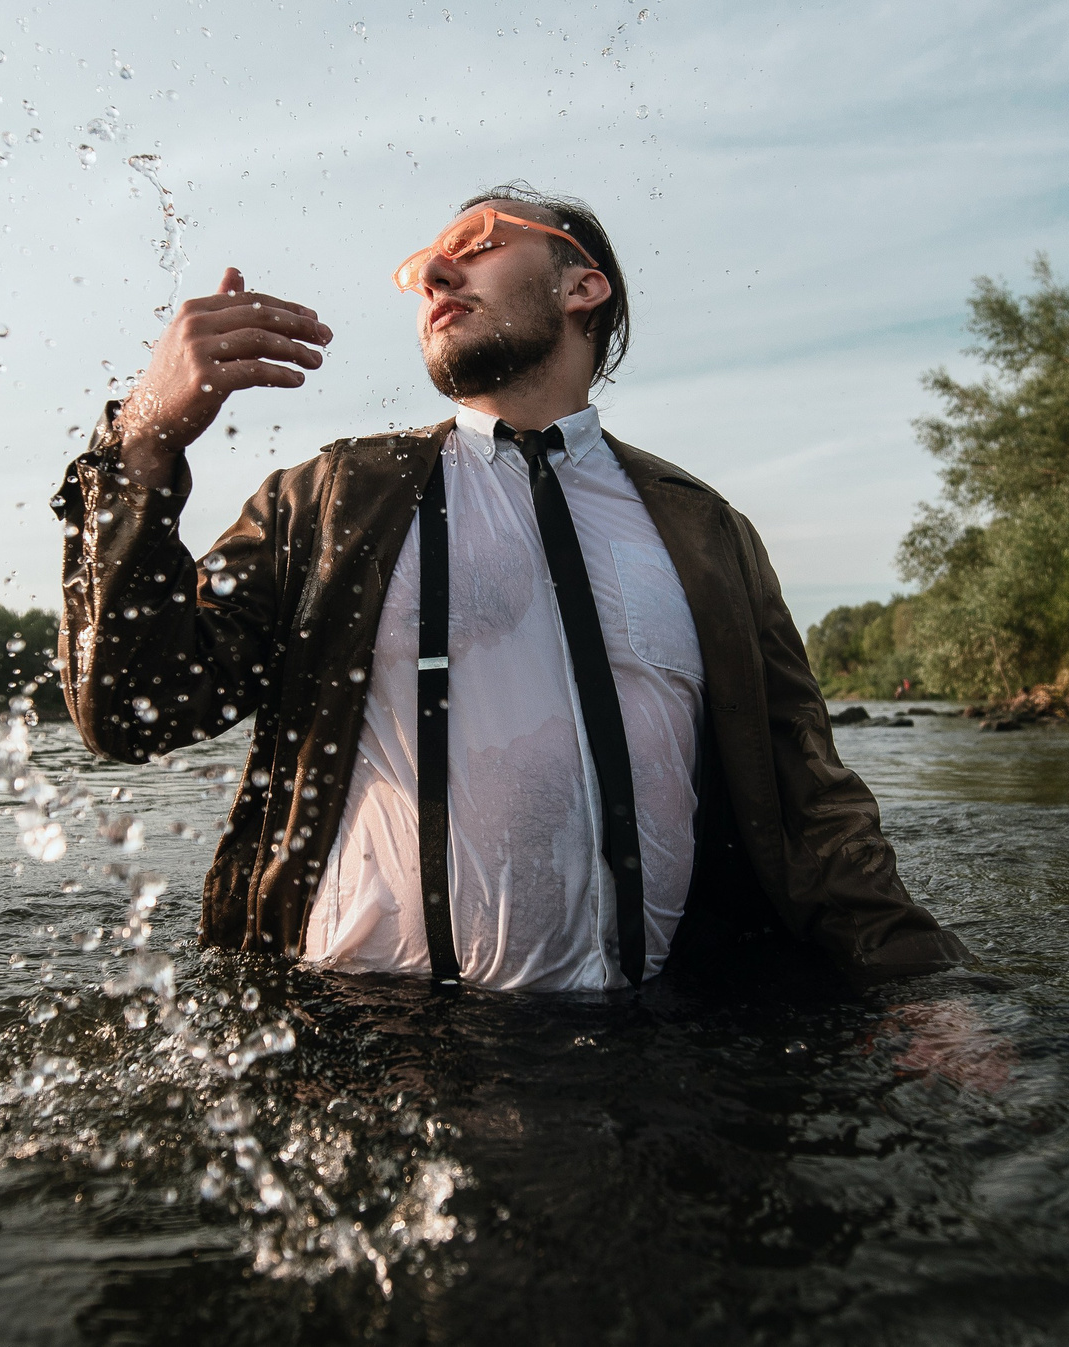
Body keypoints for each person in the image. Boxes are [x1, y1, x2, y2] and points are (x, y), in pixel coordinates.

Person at [52, 185, 967, 992]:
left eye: (480, 242)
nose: (438, 277)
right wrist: (139, 443)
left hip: (651, 1055)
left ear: (583, 286)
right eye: (425, 271)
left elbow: (810, 796)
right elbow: (129, 706)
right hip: (361, 1045)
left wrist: (916, 992)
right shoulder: (332, 501)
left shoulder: (706, 531)